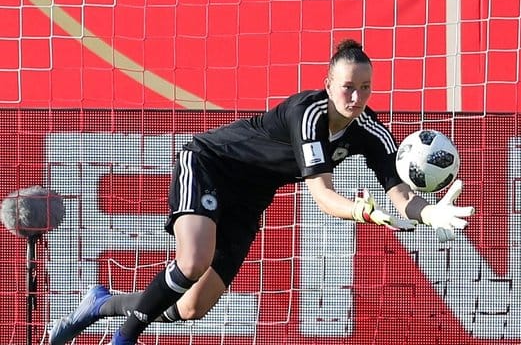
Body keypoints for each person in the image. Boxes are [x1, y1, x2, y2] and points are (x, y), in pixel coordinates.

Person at [48, 39, 474, 344]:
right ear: (328, 85)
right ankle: (124, 337)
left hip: (249, 199)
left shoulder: (370, 130)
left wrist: (429, 212)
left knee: (188, 309)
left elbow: (399, 191)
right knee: (193, 260)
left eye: (365, 87)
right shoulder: (307, 114)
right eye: (348, 86)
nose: (357, 96)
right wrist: (360, 212)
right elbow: (323, 195)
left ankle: (101, 304)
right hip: (211, 164)